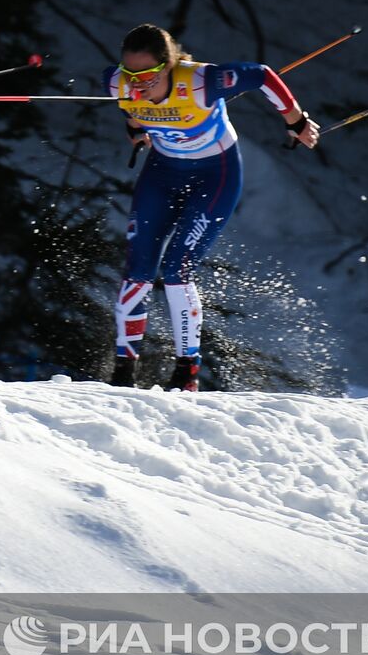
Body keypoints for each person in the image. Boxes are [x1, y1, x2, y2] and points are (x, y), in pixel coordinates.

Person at [103, 23, 320, 392]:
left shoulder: (204, 81)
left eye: (149, 75)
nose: (137, 83)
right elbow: (132, 110)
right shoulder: (116, 83)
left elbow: (264, 76)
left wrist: (296, 121)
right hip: (162, 173)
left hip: (214, 175)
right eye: (130, 73)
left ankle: (186, 371)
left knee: (175, 270)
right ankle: (123, 371)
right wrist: (135, 128)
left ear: (169, 65)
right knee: (138, 266)